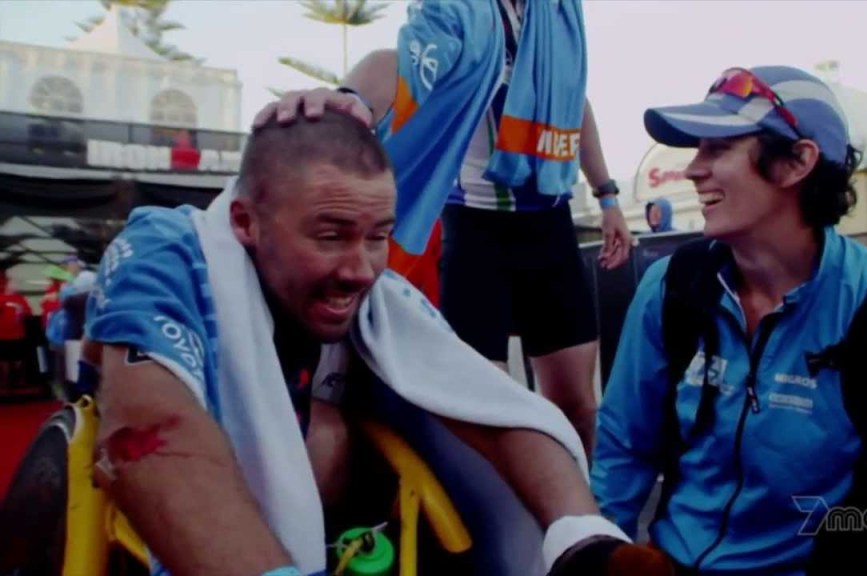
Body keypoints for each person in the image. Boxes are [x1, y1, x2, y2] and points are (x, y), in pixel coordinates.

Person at [82, 108, 670, 576]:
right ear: (244, 222)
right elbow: (151, 430)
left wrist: (584, 539)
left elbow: (494, 407)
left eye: (377, 236)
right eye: (330, 235)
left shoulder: (384, 297)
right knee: (322, 438)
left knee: (336, 438)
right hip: (154, 521)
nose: (361, 269)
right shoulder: (169, 253)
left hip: (347, 523)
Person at [592, 66, 867, 574]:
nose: (693, 170)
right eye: (697, 150)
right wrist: (596, 556)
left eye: (718, 148)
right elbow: (623, 452)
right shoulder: (672, 287)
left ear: (797, 162)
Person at [256, 0, 633, 460]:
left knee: (578, 408)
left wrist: (608, 197)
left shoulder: (557, 14)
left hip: (551, 222)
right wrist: (351, 98)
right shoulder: (460, 9)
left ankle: (582, 501)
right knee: (489, 410)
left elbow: (574, 103)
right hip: (476, 226)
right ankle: (507, 507)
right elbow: (406, 61)